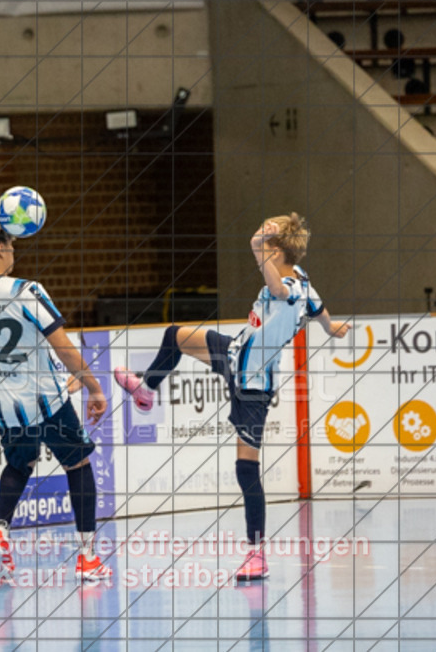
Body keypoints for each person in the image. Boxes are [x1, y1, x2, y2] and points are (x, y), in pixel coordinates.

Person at [113, 213, 351, 582]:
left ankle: (257, 555)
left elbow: (277, 290)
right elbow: (318, 309)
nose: (259, 244)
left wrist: (257, 243)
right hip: (235, 352)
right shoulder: (305, 280)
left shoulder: (286, 287)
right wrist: (331, 326)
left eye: (266, 243)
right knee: (176, 334)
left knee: (246, 469)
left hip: (252, 385)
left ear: (275, 251)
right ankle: (146, 391)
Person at [0, 214, 112, 583]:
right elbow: (64, 348)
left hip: (4, 403)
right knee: (78, 464)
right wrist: (92, 385)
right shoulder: (26, 290)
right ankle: (88, 557)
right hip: (43, 397)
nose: (13, 252)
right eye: (10, 246)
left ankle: (0, 532)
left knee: (19, 464)